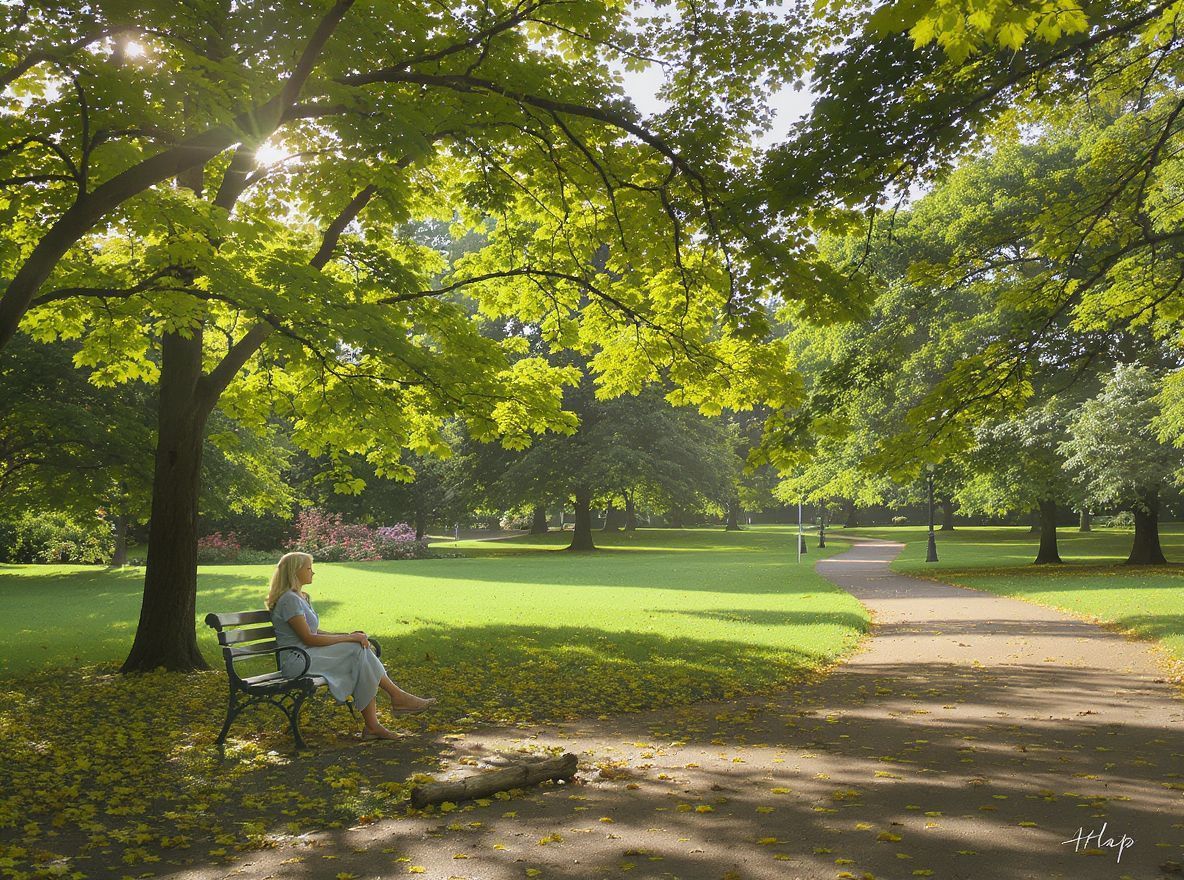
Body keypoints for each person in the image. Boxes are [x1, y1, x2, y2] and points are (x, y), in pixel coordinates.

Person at [267, 551, 435, 741]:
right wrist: (350, 639)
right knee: (358, 650)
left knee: (361, 656)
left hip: (310, 655)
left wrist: (348, 636)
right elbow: (309, 639)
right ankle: (394, 701)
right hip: (298, 660)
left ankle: (378, 720)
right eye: (308, 568)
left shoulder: (300, 597)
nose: (312, 572)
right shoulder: (289, 600)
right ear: (294, 572)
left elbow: (315, 632)